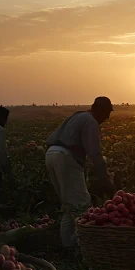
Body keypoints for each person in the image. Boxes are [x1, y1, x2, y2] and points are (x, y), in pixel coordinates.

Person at [45, 97, 116, 249]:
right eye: (106, 113)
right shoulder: (91, 122)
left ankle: (68, 245)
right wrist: (106, 180)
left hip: (52, 154)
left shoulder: (78, 115)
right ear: (97, 110)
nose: (107, 117)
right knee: (82, 205)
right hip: (66, 157)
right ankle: (80, 246)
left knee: (69, 204)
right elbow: (95, 154)